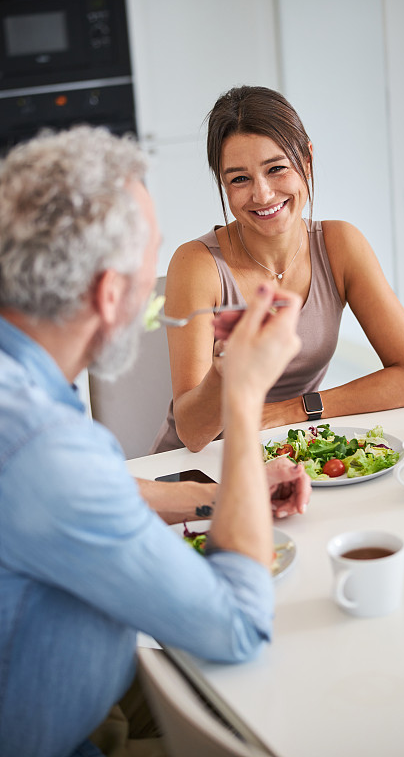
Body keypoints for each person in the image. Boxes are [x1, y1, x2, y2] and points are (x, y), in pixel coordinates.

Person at [0, 126, 309, 757]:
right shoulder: (41, 445)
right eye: (150, 269)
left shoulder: (23, 393)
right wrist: (244, 398)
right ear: (110, 296)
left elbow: (88, 494)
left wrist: (222, 497)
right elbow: (238, 626)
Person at [152, 85, 404, 454]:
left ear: (307, 159)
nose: (263, 194)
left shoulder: (341, 244)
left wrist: (289, 412)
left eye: (277, 169)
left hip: (292, 451)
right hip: (202, 466)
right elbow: (191, 432)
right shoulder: (197, 264)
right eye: (240, 179)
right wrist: (226, 374)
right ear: (223, 182)